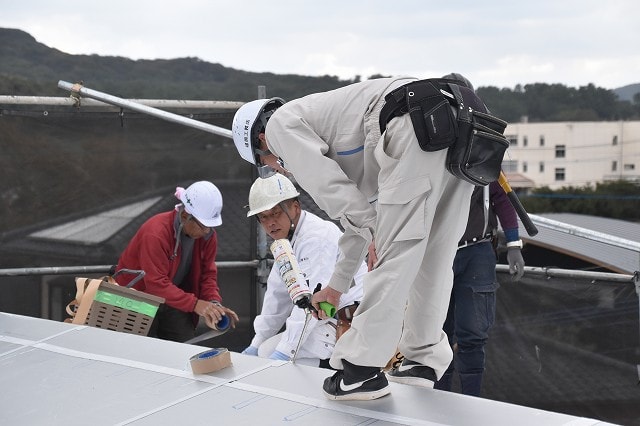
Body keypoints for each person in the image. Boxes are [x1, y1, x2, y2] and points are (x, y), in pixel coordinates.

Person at [231, 75, 502, 400]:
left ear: (261, 139)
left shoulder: (280, 129)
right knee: (435, 255)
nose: (277, 169)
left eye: (266, 163)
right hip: (460, 122)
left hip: (414, 121)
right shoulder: (329, 124)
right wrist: (335, 289)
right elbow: (358, 222)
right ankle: (421, 360)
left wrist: (374, 239)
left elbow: (346, 205)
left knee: (396, 253)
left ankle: (360, 371)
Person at [240, 173, 364, 368]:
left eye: (276, 213)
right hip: (328, 320)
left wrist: (284, 352)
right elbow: (277, 296)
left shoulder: (315, 239)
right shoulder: (287, 242)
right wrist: (255, 344)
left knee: (281, 357)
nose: (270, 222)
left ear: (295, 208)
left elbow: (311, 305)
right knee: (264, 350)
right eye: (263, 217)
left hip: (351, 323)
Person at [115, 181, 239, 342]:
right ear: (186, 216)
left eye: (210, 226)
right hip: (137, 299)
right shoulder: (156, 233)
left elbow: (207, 276)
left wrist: (213, 304)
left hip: (173, 297)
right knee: (139, 351)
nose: (207, 231)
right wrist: (196, 304)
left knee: (183, 349)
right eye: (203, 226)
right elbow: (155, 284)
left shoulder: (208, 236)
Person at [433, 181, 525, 397]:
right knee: (436, 333)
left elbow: (502, 198)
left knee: (473, 334)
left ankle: (471, 401)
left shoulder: (484, 152)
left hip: (477, 251)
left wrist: (513, 244)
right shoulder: (432, 150)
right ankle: (439, 401)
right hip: (438, 251)